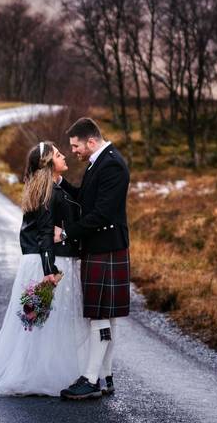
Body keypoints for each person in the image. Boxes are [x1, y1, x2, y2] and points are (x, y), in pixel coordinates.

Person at [0, 141, 89, 396]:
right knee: (44, 320)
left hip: (40, 260)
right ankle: (36, 374)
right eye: (59, 155)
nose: (64, 157)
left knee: (38, 321)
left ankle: (35, 368)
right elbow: (46, 233)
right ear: (50, 164)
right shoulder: (48, 190)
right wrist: (49, 269)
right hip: (49, 261)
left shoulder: (46, 186)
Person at [55, 117, 131, 400]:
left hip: (106, 247)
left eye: (76, 146)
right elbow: (87, 202)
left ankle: (90, 379)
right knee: (105, 316)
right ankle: (106, 376)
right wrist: (60, 182)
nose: (73, 151)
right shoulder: (98, 162)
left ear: (90, 141)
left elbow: (101, 214)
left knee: (98, 315)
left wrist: (65, 234)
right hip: (101, 247)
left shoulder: (112, 164)